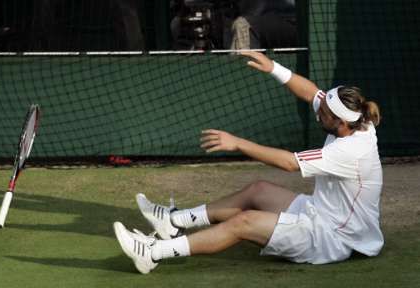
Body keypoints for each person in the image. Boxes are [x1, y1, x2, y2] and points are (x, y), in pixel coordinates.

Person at [113, 51, 384, 274]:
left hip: (332, 237)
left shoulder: (351, 150)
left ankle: (152, 254)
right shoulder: (356, 119)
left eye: (324, 113)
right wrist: (274, 68)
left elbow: (290, 163)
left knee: (244, 222)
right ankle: (173, 222)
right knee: (259, 190)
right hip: (322, 211)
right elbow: (312, 93)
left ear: (340, 122)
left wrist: (238, 143)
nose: (318, 113)